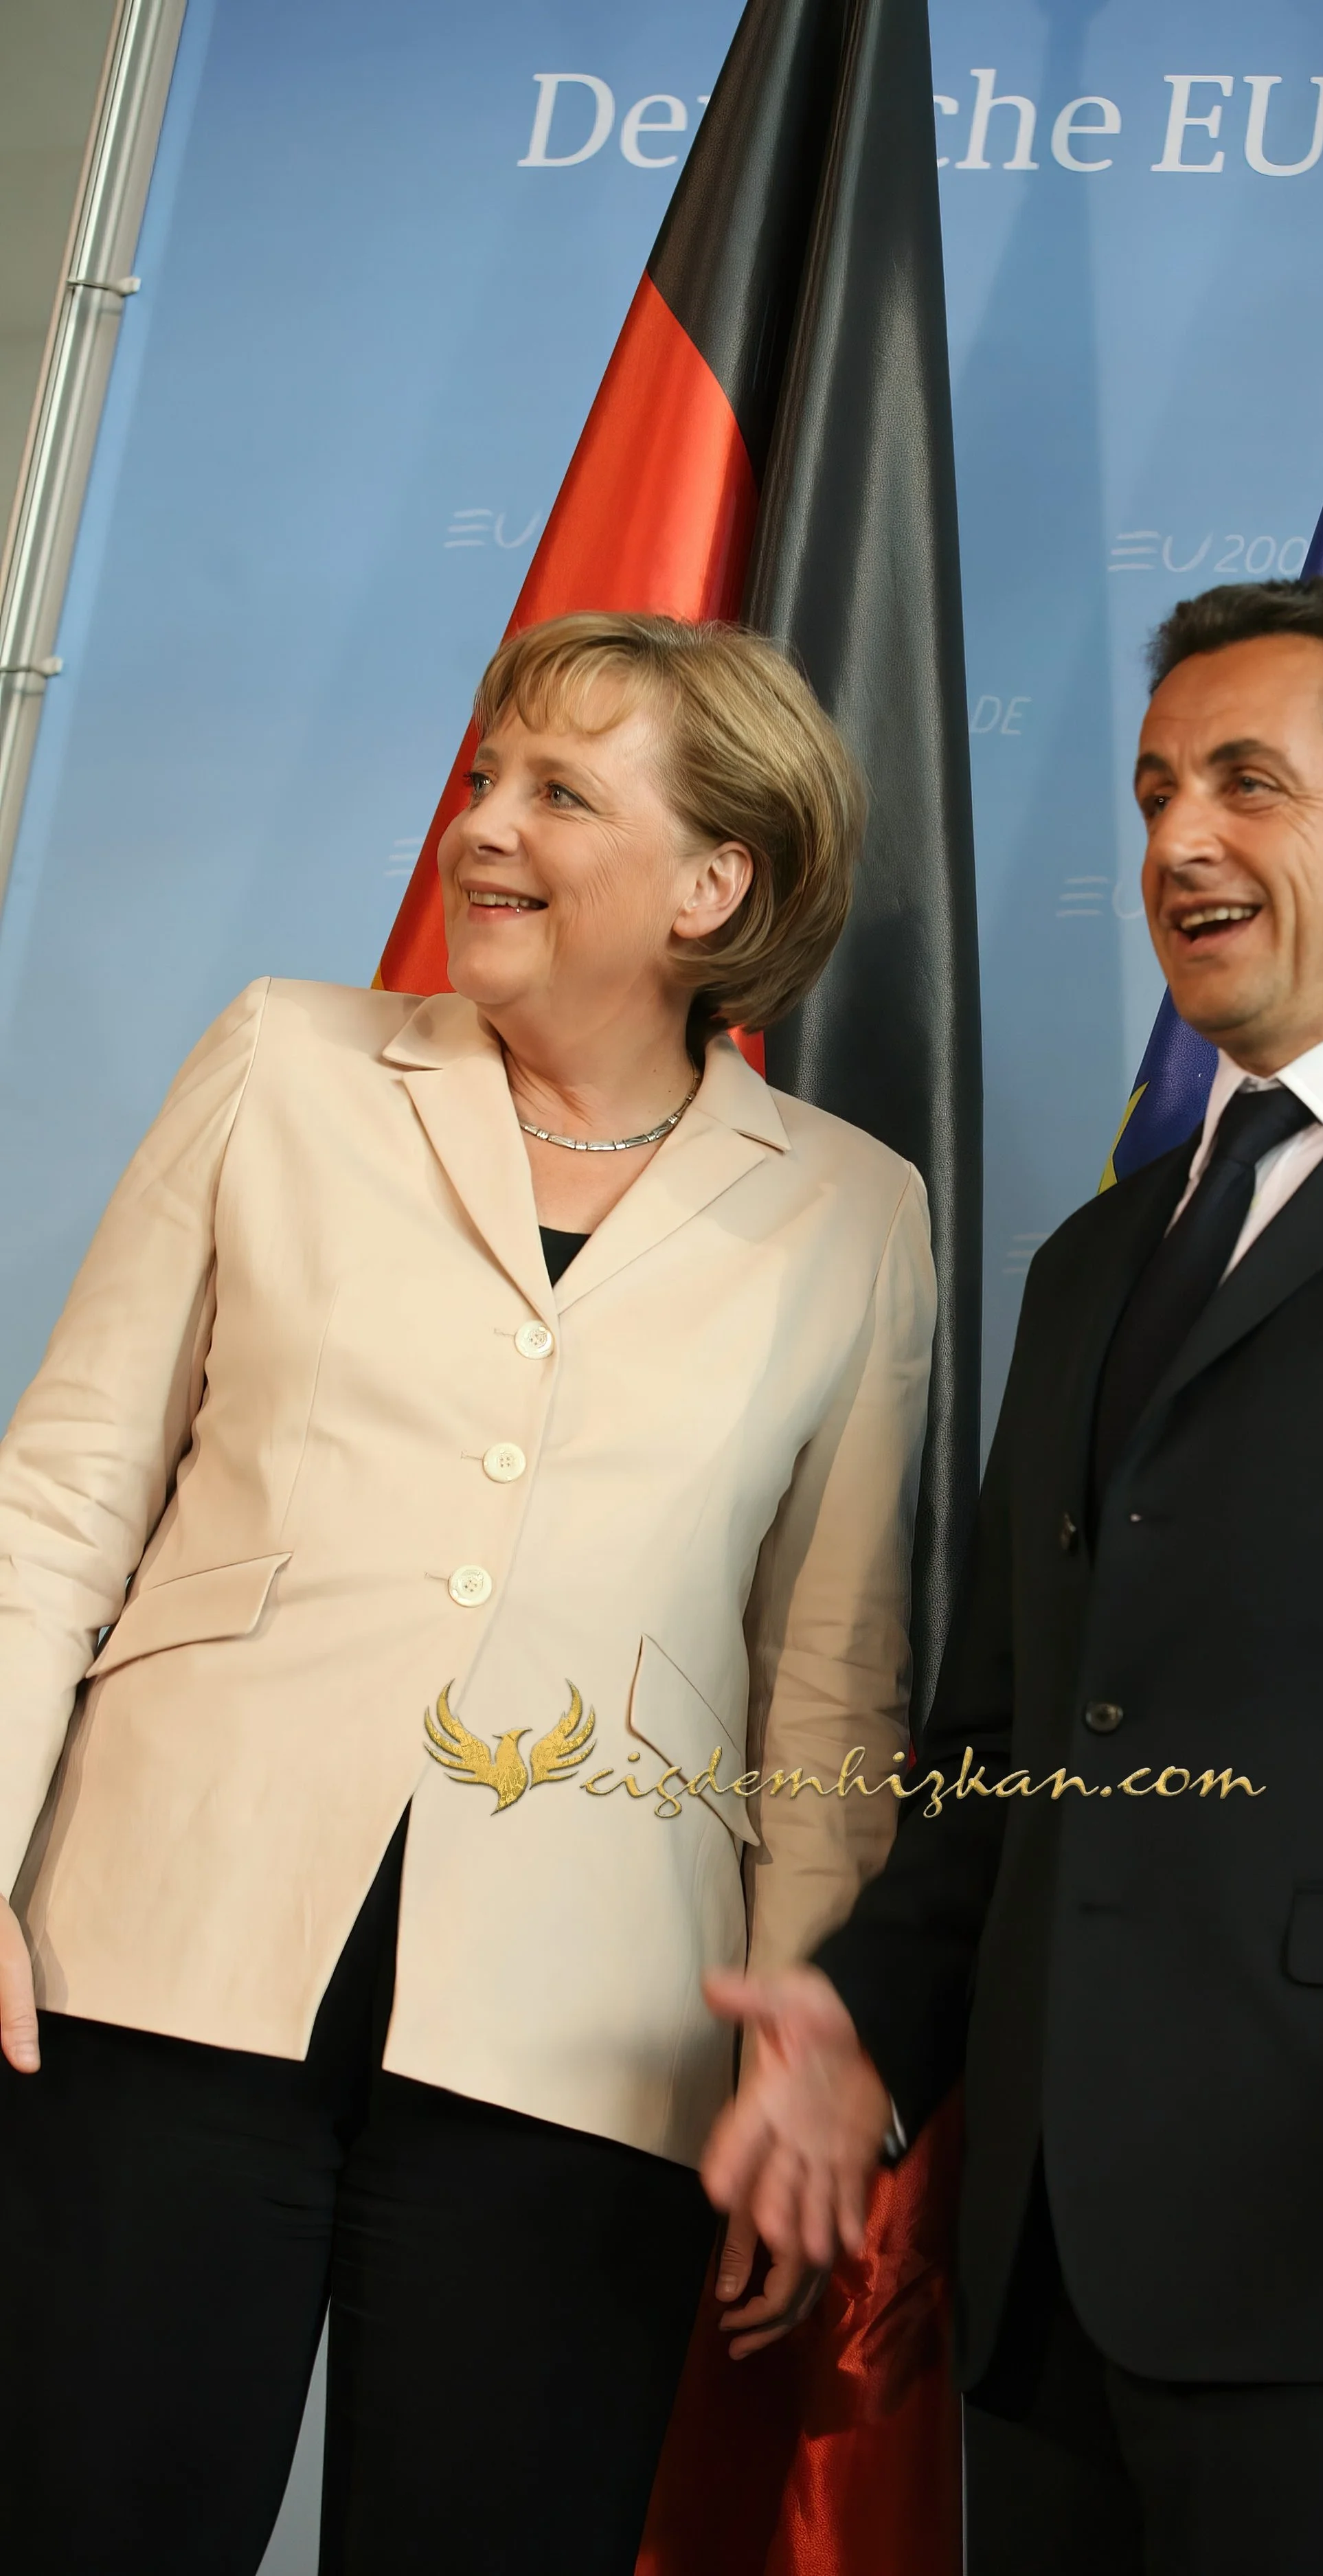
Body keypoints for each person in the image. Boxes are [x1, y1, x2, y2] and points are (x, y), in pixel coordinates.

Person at [701, 577, 1323, 2576]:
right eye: (1158, 788)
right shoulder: (1098, 1259)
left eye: (1249, 783)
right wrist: (866, 2031)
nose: (1179, 839)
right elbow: (1006, 1738)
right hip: (1055, 2262)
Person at [0, 611, 934, 2575]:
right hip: (161, 1958)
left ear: (712, 885)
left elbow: (828, 1682)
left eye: (560, 793)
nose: (483, 821)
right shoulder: (285, 1056)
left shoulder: (853, 1209)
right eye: (488, 774)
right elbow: (60, 1500)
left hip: (590, 2045)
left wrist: (805, 2044)